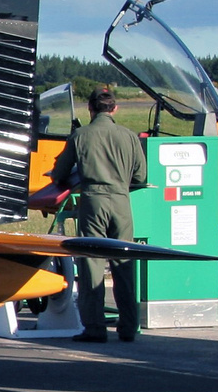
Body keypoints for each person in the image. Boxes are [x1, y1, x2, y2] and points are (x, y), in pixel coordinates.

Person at [50, 84, 148, 342]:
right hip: (121, 202)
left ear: (90, 109)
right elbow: (140, 175)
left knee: (91, 263)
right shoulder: (129, 136)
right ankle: (129, 327)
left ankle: (94, 327)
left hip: (93, 201)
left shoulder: (80, 136)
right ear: (114, 108)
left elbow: (60, 174)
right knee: (124, 263)